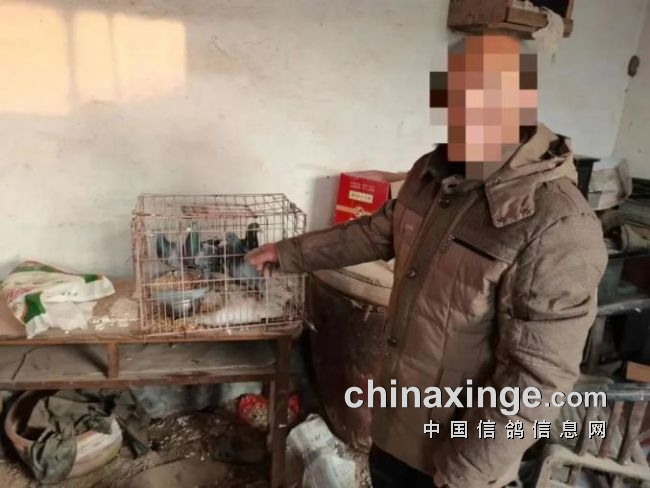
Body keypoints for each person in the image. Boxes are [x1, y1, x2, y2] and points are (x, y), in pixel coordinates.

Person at [246, 34, 607, 488]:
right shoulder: (434, 171)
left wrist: (465, 473)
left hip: (456, 458)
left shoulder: (556, 224)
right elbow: (380, 231)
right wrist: (288, 253)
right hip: (394, 424)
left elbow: (538, 378)